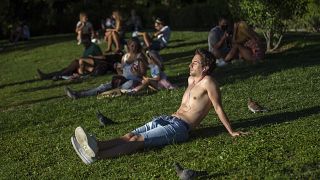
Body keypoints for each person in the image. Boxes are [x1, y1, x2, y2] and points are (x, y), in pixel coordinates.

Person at [70, 48, 247, 164]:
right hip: (168, 119)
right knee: (131, 135)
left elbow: (217, 107)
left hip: (180, 128)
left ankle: (97, 156)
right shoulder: (191, 80)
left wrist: (231, 131)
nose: (189, 65)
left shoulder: (209, 83)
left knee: (138, 141)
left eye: (194, 63)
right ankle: (97, 145)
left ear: (206, 67)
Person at [65, 38, 147, 99]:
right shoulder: (124, 57)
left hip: (135, 82)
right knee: (103, 86)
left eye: (135, 46)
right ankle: (79, 94)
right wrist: (117, 69)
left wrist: (136, 72)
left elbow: (143, 75)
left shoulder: (140, 56)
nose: (133, 48)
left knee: (127, 84)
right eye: (132, 45)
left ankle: (109, 93)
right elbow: (121, 74)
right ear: (128, 46)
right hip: (123, 80)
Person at [37, 34, 107, 80]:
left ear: (89, 40)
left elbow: (103, 57)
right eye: (83, 42)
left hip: (90, 66)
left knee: (73, 64)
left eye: (85, 42)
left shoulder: (94, 47)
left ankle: (57, 76)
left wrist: (93, 57)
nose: (84, 44)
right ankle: (47, 76)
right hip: (81, 66)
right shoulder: (87, 48)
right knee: (65, 69)